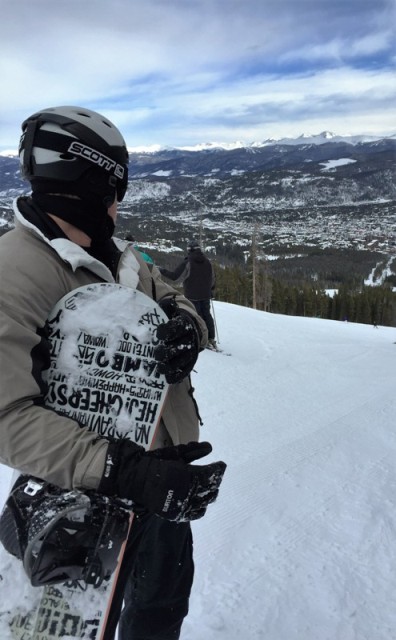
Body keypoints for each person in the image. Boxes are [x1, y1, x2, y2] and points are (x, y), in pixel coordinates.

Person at [0, 106, 226, 640]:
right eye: (113, 193)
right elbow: (5, 415)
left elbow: (168, 293)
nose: (118, 207)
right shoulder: (15, 274)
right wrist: (123, 472)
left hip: (161, 474)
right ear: (89, 183)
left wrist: (184, 323)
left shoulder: (118, 254)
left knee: (161, 605)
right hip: (80, 498)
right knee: (77, 623)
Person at [159, 241, 218, 350]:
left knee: (197, 316)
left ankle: (200, 339)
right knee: (207, 315)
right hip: (206, 294)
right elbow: (213, 278)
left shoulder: (188, 262)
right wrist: (211, 289)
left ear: (189, 250)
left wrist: (160, 270)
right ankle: (211, 339)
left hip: (192, 294)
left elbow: (174, 276)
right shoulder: (208, 262)